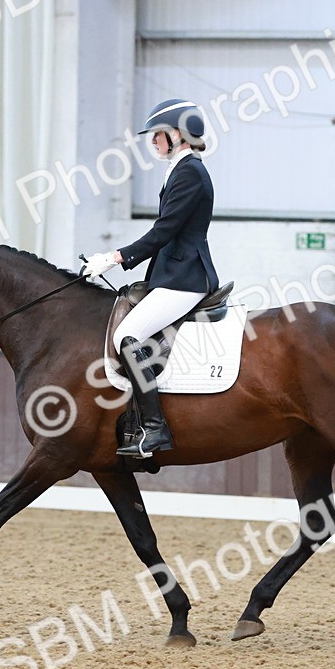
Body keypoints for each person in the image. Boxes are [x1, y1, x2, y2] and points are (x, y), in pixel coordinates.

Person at [81, 98, 220, 458]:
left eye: (158, 135)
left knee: (127, 335)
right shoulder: (181, 169)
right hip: (172, 273)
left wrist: (115, 258)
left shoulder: (190, 172)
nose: (153, 142)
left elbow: (165, 230)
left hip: (186, 277)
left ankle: (156, 429)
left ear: (178, 135)